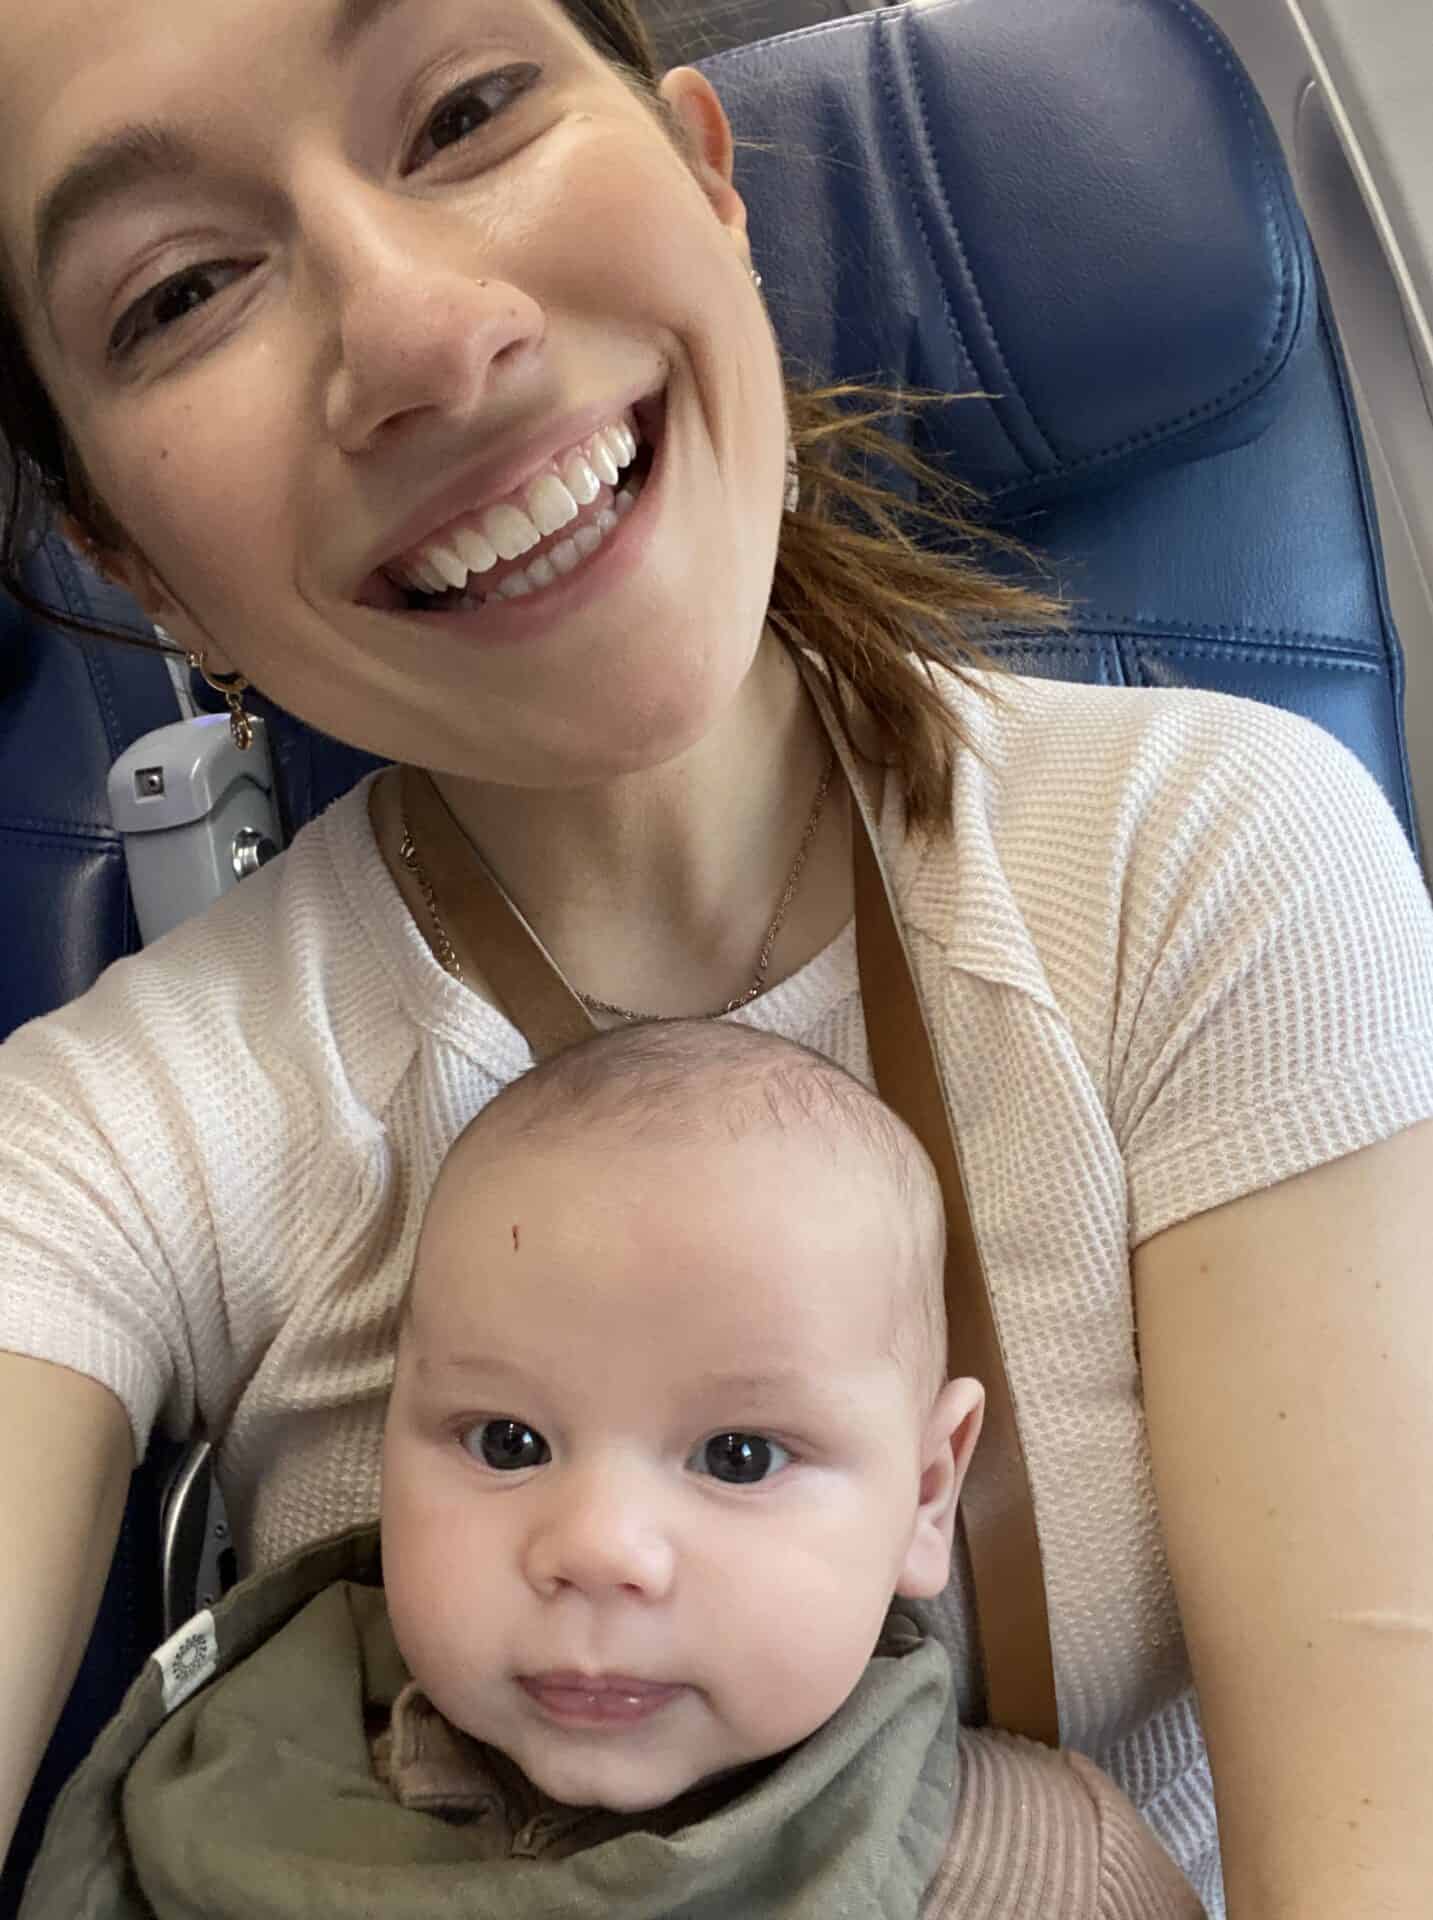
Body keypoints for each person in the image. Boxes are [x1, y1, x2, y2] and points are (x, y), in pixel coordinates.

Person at [0, 0, 1432, 1911]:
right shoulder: (107, 1137)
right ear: (141, 570)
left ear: (702, 173)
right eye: (177, 294)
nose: (428, 334)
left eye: (468, 107)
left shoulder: (1220, 873)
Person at [19, 1022, 1202, 1920]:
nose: (595, 1547)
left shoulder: (1040, 1874)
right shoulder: (228, 1786)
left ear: (925, 1493)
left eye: (738, 1458)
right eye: (507, 1443)